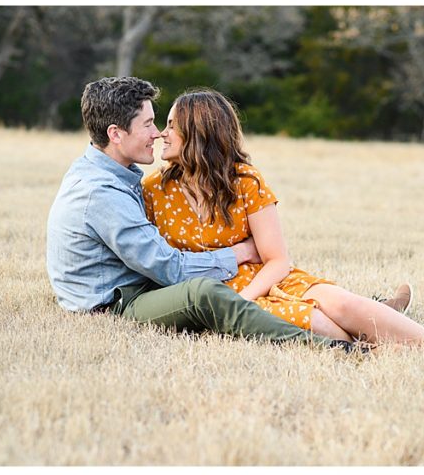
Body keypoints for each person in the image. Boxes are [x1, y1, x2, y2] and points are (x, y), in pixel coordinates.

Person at [47, 76, 356, 350]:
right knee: (204, 293)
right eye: (148, 124)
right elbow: (170, 269)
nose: (157, 134)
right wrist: (239, 252)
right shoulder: (101, 192)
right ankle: (329, 347)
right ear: (115, 134)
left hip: (135, 284)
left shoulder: (109, 173)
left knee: (229, 284)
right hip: (116, 302)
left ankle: (362, 317)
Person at [142, 89, 424, 349]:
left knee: (339, 303)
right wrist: (235, 305)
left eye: (171, 125)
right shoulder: (154, 190)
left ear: (198, 132)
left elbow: (277, 261)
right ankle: (374, 336)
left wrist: (246, 297)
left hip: (267, 279)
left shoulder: (245, 181)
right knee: (317, 322)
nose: (161, 133)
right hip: (218, 294)